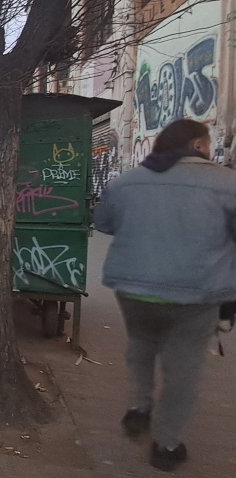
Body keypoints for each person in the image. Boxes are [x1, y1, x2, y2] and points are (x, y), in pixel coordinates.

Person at [94, 119, 236, 472]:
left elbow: (104, 223)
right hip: (195, 294)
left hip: (133, 288)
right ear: (200, 146)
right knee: (183, 370)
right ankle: (167, 444)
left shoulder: (126, 181)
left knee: (140, 345)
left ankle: (139, 407)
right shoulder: (226, 183)